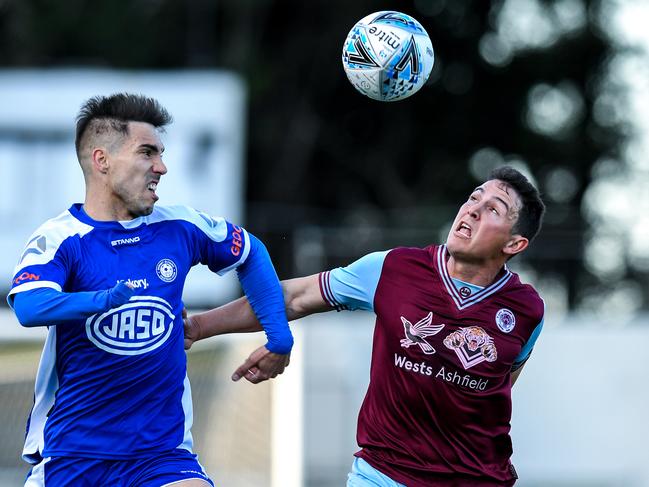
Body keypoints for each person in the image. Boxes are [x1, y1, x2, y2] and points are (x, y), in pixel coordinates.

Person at [184, 166, 546, 486]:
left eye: (493, 209)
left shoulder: (527, 310)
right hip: (382, 474)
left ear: (515, 243)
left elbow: (499, 387)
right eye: (473, 198)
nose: (472, 209)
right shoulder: (395, 269)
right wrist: (199, 326)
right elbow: (293, 297)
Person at [7, 93, 293, 487]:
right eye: (147, 153)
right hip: (73, 456)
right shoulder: (61, 238)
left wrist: (278, 337)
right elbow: (29, 305)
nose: (161, 166)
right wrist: (101, 301)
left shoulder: (179, 227)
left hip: (161, 456)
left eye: (161, 153)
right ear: (101, 161)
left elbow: (250, 252)